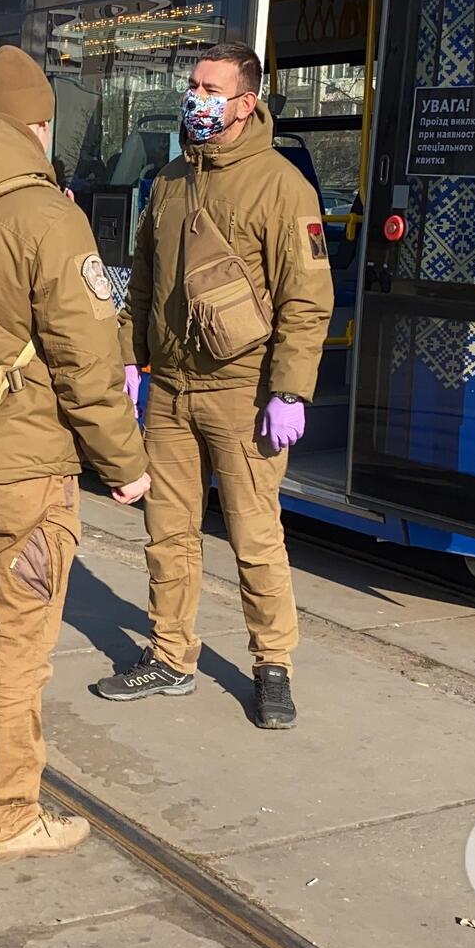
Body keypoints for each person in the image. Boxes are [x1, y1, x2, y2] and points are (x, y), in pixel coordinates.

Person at [0, 46, 150, 863]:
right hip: (25, 470)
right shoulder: (46, 216)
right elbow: (86, 363)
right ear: (38, 125)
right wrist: (125, 463)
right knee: (14, 645)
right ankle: (5, 814)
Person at [94, 42, 334, 730]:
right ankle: (170, 654)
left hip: (243, 392)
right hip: (169, 390)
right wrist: (130, 357)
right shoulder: (170, 181)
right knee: (167, 531)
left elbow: (307, 301)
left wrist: (290, 390)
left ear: (245, 102)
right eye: (192, 84)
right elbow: (141, 283)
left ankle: (272, 665)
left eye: (209, 88)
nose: (193, 97)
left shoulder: (284, 187)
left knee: (256, 537)